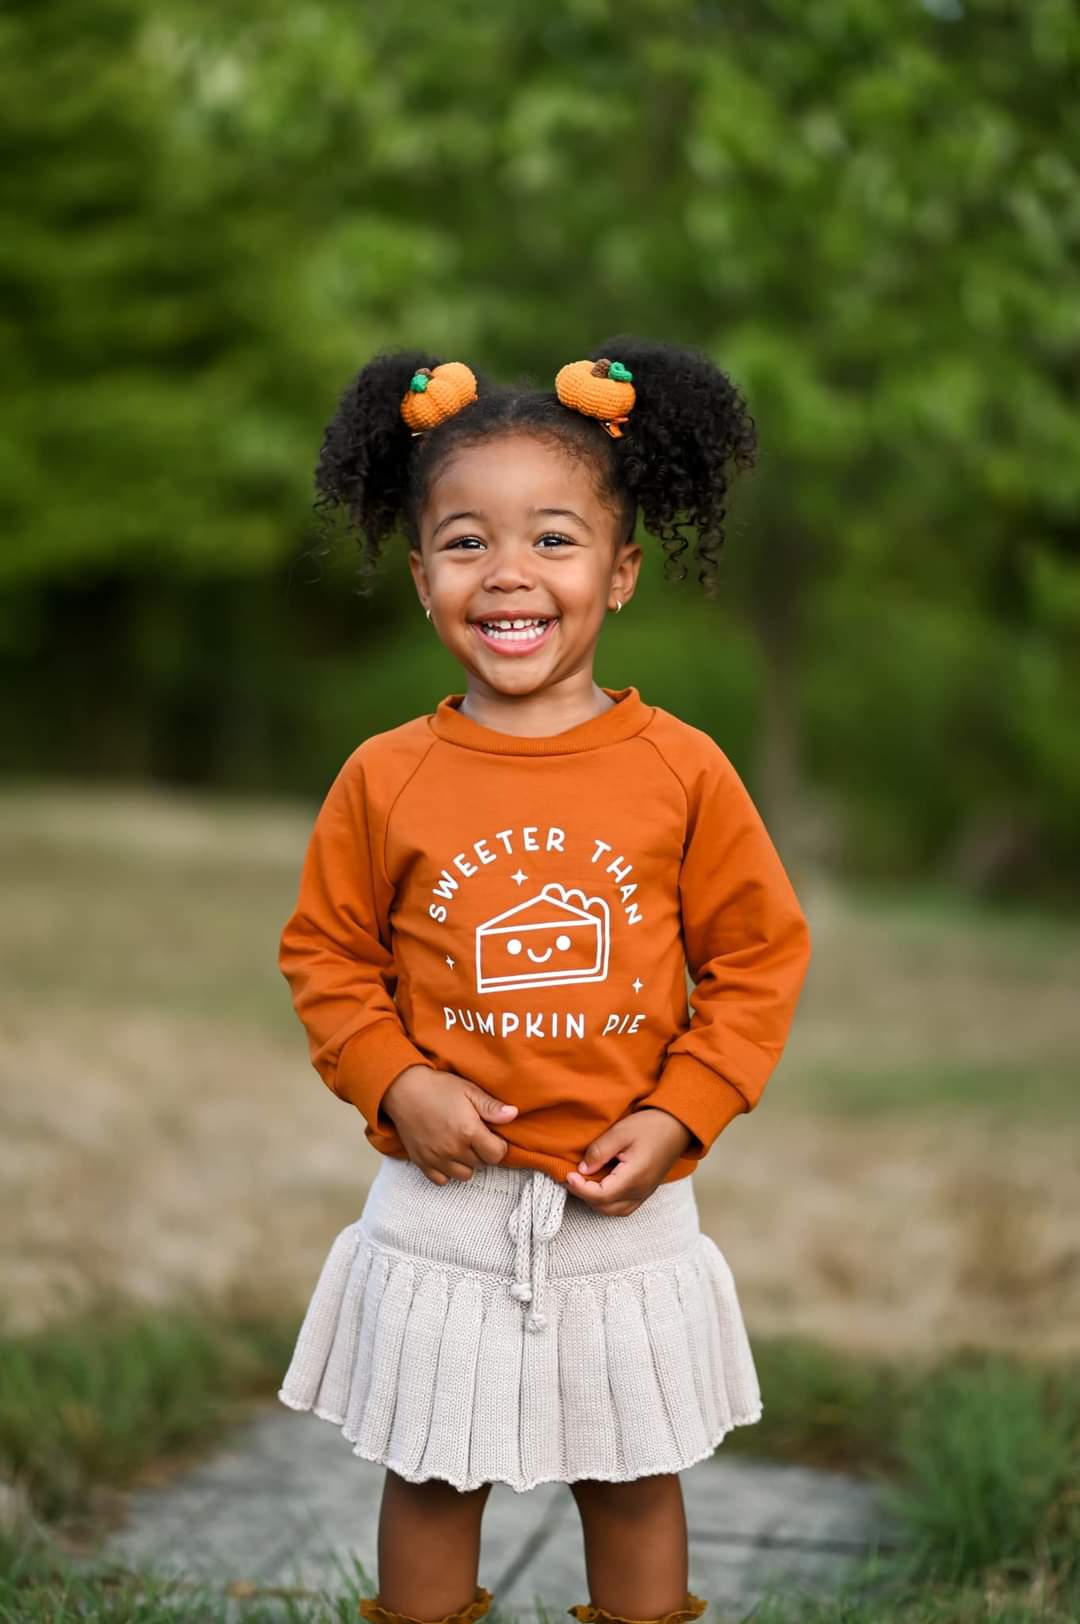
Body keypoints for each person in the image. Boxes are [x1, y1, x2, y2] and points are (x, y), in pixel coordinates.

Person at [276, 337, 813, 1624]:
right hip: (443, 1208)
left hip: (622, 1204)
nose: (508, 572)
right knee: (429, 1467)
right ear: (421, 580)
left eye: (554, 540)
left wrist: (683, 1109)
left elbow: (755, 958)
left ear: (620, 572)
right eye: (466, 543)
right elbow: (328, 953)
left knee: (630, 1471)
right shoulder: (385, 775)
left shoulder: (682, 770)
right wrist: (397, 1081)